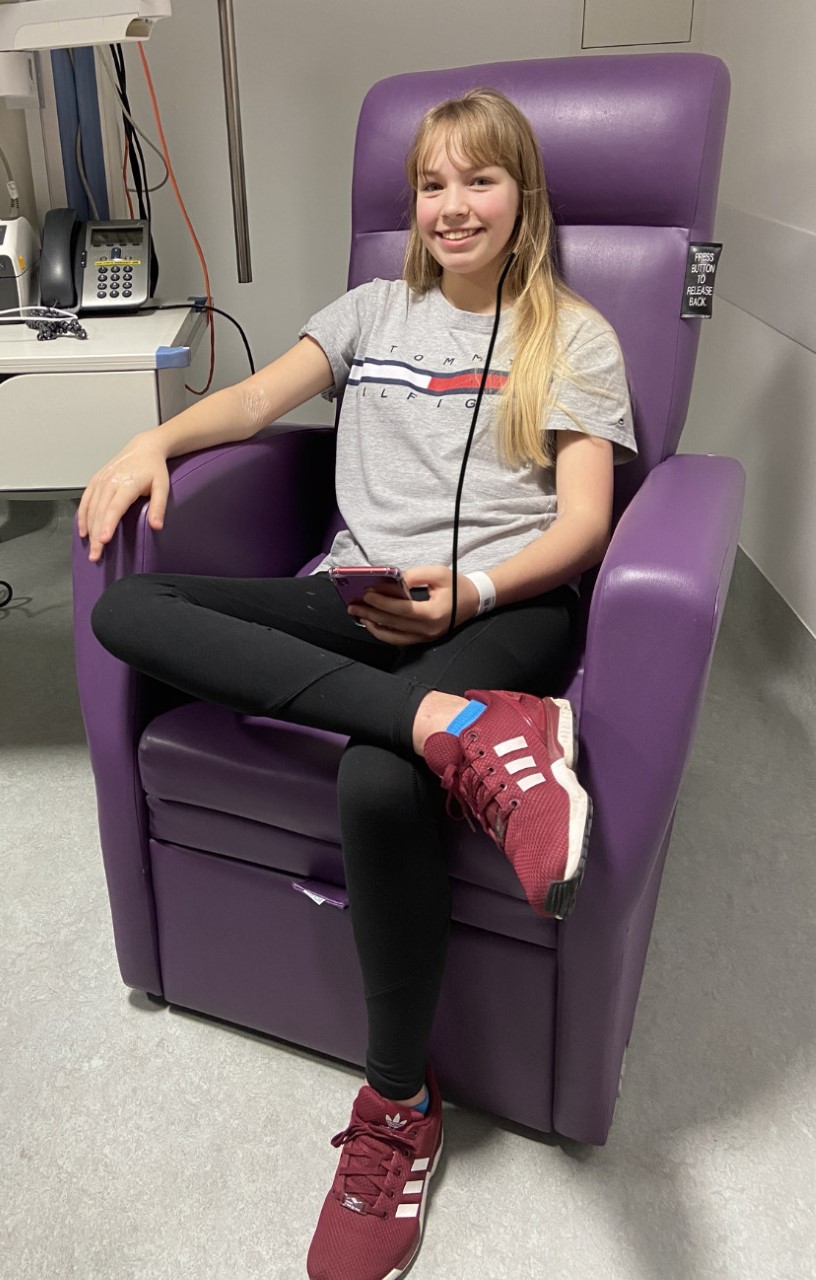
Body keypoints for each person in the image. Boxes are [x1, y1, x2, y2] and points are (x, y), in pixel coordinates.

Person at [81, 87, 636, 1280]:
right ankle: (453, 726)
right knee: (136, 608)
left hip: (506, 607)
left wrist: (474, 593)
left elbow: (585, 523)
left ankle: (396, 1107)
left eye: (479, 180)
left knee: (382, 792)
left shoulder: (575, 336)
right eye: (431, 184)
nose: (452, 205)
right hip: (359, 594)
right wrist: (150, 440)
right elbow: (249, 399)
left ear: (523, 195)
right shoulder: (371, 310)